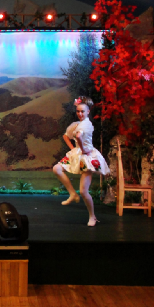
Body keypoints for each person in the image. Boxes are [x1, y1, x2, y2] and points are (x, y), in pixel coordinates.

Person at [53, 96, 110, 227]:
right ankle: (73, 194)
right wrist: (74, 149)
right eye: (78, 111)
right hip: (78, 152)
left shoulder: (86, 124)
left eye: (82, 111)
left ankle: (92, 216)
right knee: (57, 168)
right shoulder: (76, 124)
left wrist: (83, 150)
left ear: (88, 112)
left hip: (87, 156)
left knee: (84, 191)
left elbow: (78, 136)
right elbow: (66, 136)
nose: (80, 114)